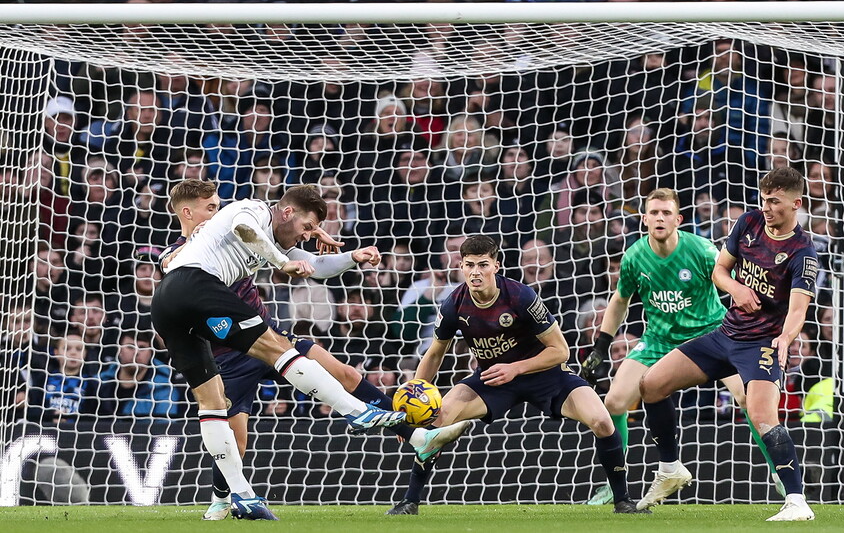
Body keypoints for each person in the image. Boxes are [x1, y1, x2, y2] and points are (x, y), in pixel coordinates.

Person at [162, 179, 463, 520]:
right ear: (187, 213)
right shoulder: (201, 241)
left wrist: (353, 256)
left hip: (263, 330)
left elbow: (315, 266)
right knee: (237, 437)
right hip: (229, 351)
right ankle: (223, 498)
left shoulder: (258, 233)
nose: (216, 210)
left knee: (344, 372)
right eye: (209, 207)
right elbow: (188, 256)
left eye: (217, 205)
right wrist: (281, 260)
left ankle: (413, 436)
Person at [386, 235, 640, 516]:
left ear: (497, 265)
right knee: (437, 420)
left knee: (602, 421)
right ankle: (410, 501)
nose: (475, 272)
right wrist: (413, 404)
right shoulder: (454, 304)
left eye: (483, 265)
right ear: (461, 266)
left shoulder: (521, 297)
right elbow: (434, 354)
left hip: (545, 374)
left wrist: (516, 367)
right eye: (469, 265)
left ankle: (623, 501)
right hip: (492, 379)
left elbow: (560, 351)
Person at [638, 167, 820, 521]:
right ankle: (671, 467)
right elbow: (719, 271)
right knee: (651, 385)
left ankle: (797, 501)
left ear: (796, 203)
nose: (766, 208)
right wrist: (736, 288)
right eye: (764, 200)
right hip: (725, 335)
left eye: (775, 202)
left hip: (761, 344)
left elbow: (798, 309)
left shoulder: (803, 252)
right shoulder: (748, 224)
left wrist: (784, 336)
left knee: (763, 416)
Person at [580, 188, 751, 508]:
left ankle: (781, 478)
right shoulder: (634, 256)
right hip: (658, 339)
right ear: (644, 219)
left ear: (678, 219)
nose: (660, 218)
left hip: (710, 333)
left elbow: (729, 276)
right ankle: (613, 484)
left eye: (666, 213)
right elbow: (620, 300)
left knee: (747, 397)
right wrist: (601, 347)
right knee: (614, 402)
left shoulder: (700, 249)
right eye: (654, 213)